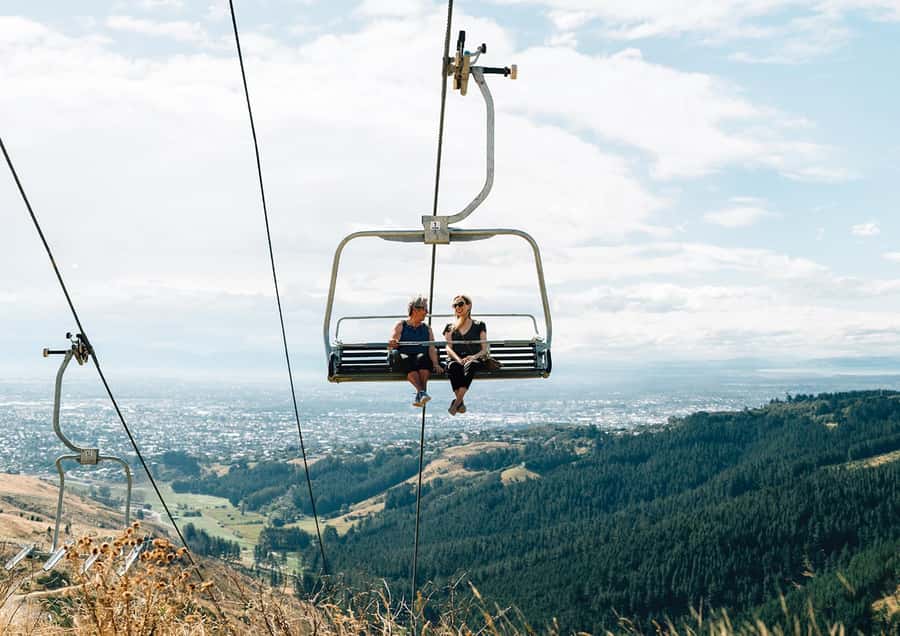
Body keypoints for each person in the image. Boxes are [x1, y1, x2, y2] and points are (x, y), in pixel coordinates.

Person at [388, 296, 442, 407]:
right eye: (425, 309)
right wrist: (394, 341)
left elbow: (431, 347)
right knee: (407, 359)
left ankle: (420, 394)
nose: (427, 312)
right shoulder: (401, 325)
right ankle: (421, 392)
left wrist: (436, 364)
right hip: (404, 357)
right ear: (415, 309)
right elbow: (395, 339)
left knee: (423, 358)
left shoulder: (427, 328)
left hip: (419, 359)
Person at [443, 294, 488, 415]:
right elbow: (448, 347)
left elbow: (484, 348)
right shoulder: (450, 327)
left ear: (469, 306)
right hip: (455, 358)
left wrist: (473, 357)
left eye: (461, 304)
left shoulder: (479, 325)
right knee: (453, 367)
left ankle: (456, 404)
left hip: (473, 358)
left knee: (471, 365)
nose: (458, 307)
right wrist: (458, 359)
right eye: (455, 305)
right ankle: (460, 402)